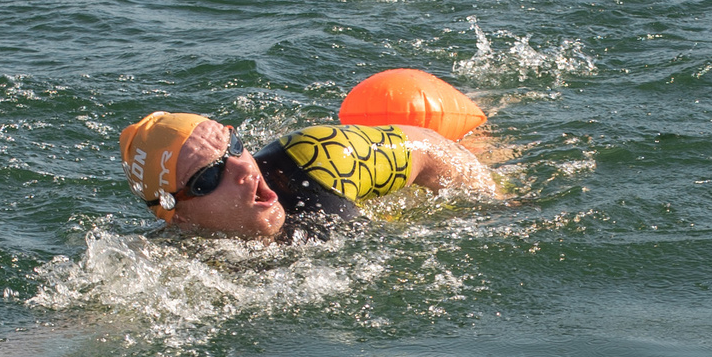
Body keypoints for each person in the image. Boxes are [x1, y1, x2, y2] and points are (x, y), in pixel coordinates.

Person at [119, 110, 497, 240]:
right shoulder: (178, 256)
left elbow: (429, 148)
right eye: (208, 176)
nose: (244, 168)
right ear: (178, 215)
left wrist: (497, 203)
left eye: (234, 145)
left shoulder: (321, 158)